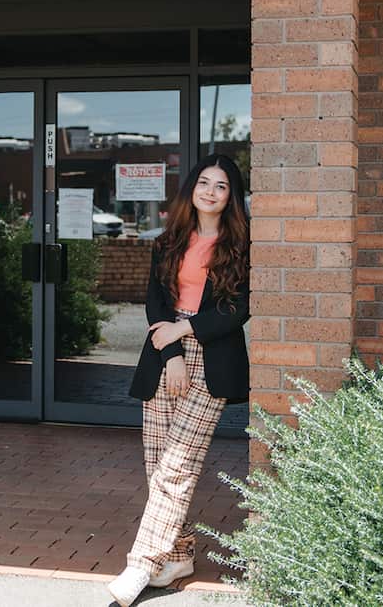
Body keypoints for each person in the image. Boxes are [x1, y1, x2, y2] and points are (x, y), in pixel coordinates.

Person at [108, 153, 251, 607]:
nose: (211, 191)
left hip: (212, 358)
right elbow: (156, 305)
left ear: (231, 196)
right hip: (163, 356)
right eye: (204, 182)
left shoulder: (242, 246)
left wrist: (185, 330)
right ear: (192, 188)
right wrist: (170, 352)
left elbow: (237, 309)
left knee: (178, 465)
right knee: (156, 463)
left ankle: (141, 564)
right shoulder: (168, 241)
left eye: (221, 185)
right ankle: (181, 555)